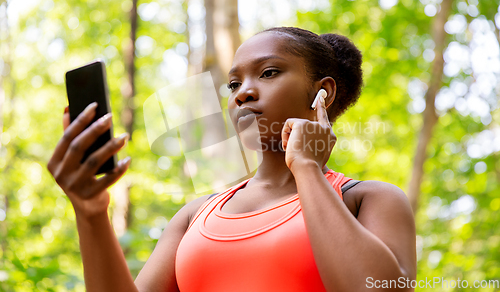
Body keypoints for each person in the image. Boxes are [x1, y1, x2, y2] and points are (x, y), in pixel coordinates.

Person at [47, 26, 416, 292]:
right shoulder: (196, 216)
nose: (243, 94)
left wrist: (305, 166)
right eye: (234, 84)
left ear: (323, 93)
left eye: (268, 73)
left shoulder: (367, 200)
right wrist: (91, 211)